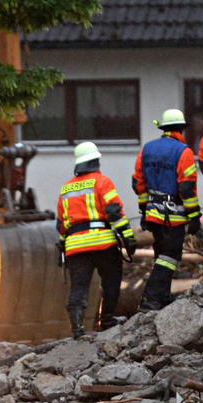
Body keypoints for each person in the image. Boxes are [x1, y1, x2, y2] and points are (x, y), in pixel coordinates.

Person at [56, 141, 136, 339]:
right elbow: (113, 212)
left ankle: (77, 329)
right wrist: (127, 237)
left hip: (75, 246)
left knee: (79, 287)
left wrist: (62, 247)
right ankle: (107, 319)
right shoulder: (102, 182)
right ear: (96, 161)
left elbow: (61, 224)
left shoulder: (66, 189)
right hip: (102, 242)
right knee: (111, 279)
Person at [132, 109, 202, 311]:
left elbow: (138, 182)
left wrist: (144, 210)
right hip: (174, 217)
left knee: (162, 256)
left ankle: (162, 298)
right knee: (169, 257)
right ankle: (150, 299)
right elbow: (186, 188)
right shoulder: (183, 151)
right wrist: (194, 216)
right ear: (181, 128)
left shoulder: (148, 149)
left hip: (153, 214)